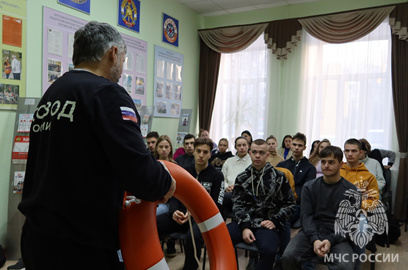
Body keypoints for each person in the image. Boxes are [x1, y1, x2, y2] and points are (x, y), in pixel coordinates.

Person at [18, 21, 175, 270]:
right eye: (123, 60)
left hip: (37, 237)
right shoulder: (108, 94)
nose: (122, 69)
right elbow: (139, 174)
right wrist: (165, 181)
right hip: (81, 245)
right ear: (113, 54)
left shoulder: (52, 94)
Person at [282, 146, 358, 269]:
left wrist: (330, 240)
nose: (326, 165)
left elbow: (349, 224)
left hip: (337, 235)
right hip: (312, 231)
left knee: (345, 266)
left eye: (331, 162)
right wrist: (314, 239)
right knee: (288, 256)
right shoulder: (309, 187)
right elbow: (306, 216)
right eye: (323, 162)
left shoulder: (351, 191)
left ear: (341, 164)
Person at [227, 139, 296, 270]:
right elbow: (237, 205)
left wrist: (275, 221)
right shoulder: (242, 177)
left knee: (269, 251)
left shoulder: (279, 177)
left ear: (267, 155)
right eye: (254, 152)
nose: (257, 156)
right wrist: (245, 227)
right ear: (250, 153)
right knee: (220, 239)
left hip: (267, 223)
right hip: (244, 221)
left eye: (261, 153)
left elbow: (290, 204)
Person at [157, 138, 224, 269]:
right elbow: (175, 197)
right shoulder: (184, 171)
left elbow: (217, 205)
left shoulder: (217, 176)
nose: (201, 155)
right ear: (193, 151)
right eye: (198, 151)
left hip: (202, 219)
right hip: (181, 215)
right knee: (154, 223)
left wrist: (193, 214)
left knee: (191, 237)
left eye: (205, 152)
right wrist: (174, 211)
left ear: (211, 154)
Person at [340, 138, 379, 270]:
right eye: (347, 150)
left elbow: (373, 201)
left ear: (361, 153)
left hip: (358, 215)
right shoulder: (337, 172)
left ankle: (356, 267)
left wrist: (355, 206)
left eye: (354, 151)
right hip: (333, 212)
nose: (350, 154)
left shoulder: (369, 177)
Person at [277, 132, 316, 228]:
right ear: (290, 145)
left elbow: (306, 190)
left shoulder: (310, 168)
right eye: (294, 144)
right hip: (279, 202)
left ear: (304, 148)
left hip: (297, 205)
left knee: (283, 219)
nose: (297, 148)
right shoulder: (282, 165)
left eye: (300, 145)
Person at [221, 136, 252, 217]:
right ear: (235, 147)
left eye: (244, 145)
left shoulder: (252, 161)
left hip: (246, 193)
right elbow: (222, 178)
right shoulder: (229, 161)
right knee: (221, 199)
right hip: (229, 191)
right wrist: (226, 187)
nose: (242, 148)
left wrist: (237, 187)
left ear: (248, 146)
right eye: (239, 145)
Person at [154, 135, 176, 216]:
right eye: (161, 147)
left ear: (170, 148)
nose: (164, 149)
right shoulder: (152, 165)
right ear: (156, 148)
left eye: (166, 147)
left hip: (168, 203)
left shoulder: (176, 167)